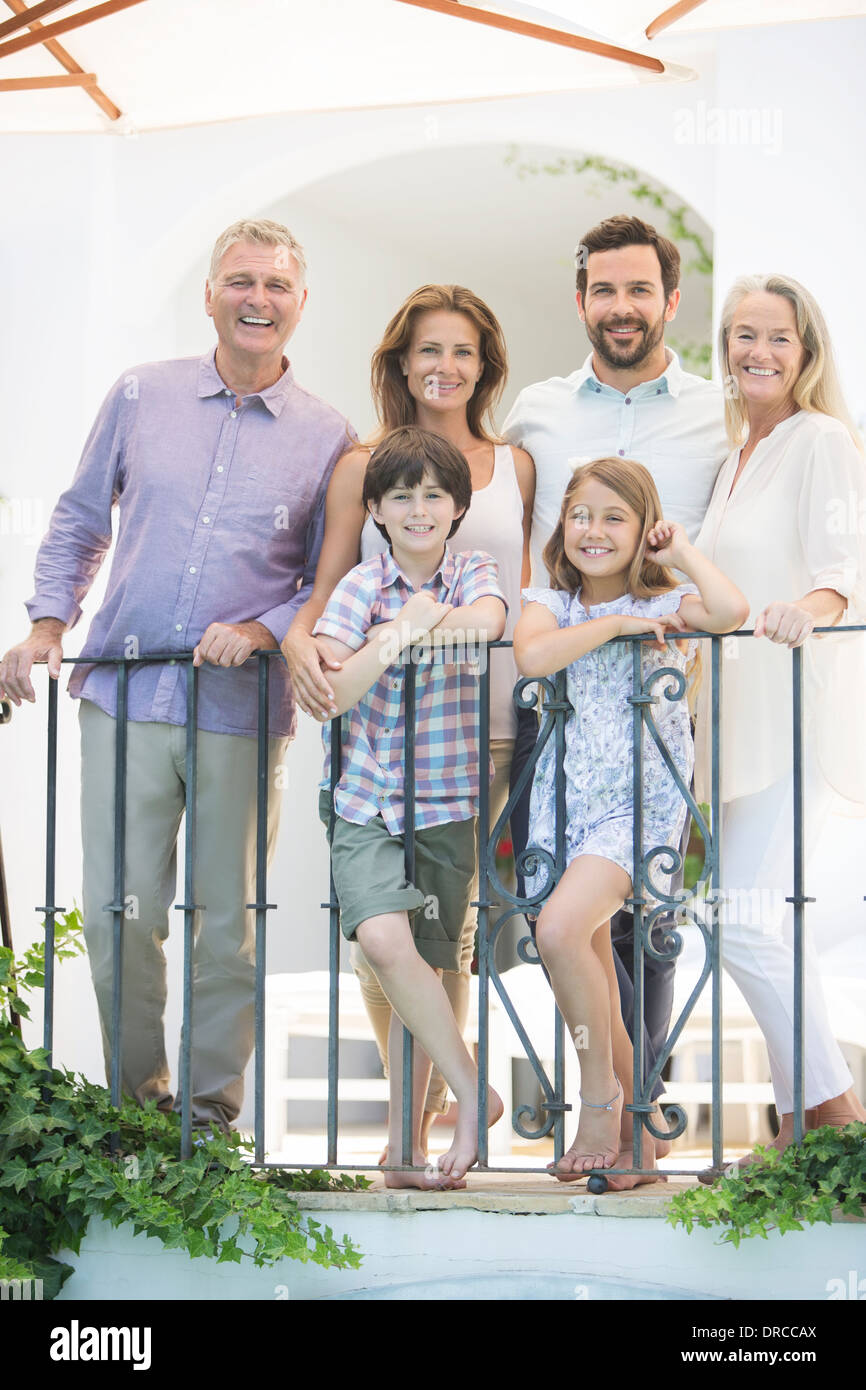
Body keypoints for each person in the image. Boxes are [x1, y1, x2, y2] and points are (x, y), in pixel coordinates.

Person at [0, 218, 352, 1135]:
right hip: (122, 694)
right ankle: (137, 1106)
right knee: (119, 915)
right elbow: (79, 520)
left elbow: (328, 580)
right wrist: (46, 625)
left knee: (226, 926)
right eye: (241, 281)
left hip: (239, 707)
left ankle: (208, 1118)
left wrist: (261, 628)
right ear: (210, 295)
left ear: (300, 305)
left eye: (277, 286)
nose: (258, 300)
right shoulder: (140, 395)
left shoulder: (328, 434)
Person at [284, 284, 534, 1151]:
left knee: (445, 940)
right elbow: (323, 607)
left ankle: (425, 1123)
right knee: (381, 942)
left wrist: (416, 625)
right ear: (401, 361)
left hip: (473, 748)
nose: (446, 366)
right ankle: (427, 1111)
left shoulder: (510, 469)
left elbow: (511, 603)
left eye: (463, 351)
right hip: (373, 760)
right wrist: (315, 645)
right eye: (430, 349)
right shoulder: (365, 472)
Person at [503, 214, 730, 1148]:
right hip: (564, 741)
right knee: (577, 937)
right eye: (605, 289)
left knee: (642, 934)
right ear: (583, 299)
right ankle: (631, 1120)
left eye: (641, 290)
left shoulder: (719, 411)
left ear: (671, 300)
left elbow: (724, 596)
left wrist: (675, 563)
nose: (623, 306)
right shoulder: (538, 410)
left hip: (656, 728)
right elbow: (517, 552)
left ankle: (617, 1111)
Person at [514, 458, 747, 1184]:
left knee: (557, 931)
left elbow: (730, 610)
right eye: (582, 514)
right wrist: (619, 621)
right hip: (565, 805)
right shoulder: (549, 603)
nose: (594, 530)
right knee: (588, 959)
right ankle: (638, 1131)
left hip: (636, 807)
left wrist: (677, 553)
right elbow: (531, 655)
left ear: (643, 530)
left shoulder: (672, 602)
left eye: (616, 517)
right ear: (563, 524)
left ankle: (601, 1102)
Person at [693, 273, 866, 1175]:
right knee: (754, 921)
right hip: (729, 717)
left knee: (746, 921)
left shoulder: (820, 439)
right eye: (743, 336)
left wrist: (809, 604)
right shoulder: (733, 458)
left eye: (778, 339)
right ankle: (818, 1121)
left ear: (806, 354)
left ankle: (831, 1117)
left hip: (791, 707)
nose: (758, 353)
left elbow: (847, 566)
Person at [312, 426, 506, 1187]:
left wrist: (401, 630)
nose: (419, 509)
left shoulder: (473, 569)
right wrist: (399, 632)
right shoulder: (360, 585)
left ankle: (403, 1146)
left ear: (458, 506)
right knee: (385, 945)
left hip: (448, 801)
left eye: (434, 495)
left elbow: (489, 624)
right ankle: (465, 1090)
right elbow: (335, 694)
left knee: (430, 962)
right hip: (366, 798)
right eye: (402, 496)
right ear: (377, 510)